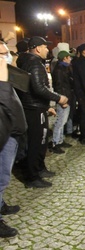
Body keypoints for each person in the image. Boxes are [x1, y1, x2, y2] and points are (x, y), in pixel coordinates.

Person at [16, 36, 69, 188]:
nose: (48, 50)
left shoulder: (27, 61)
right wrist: (58, 98)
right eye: (45, 47)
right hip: (34, 108)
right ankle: (32, 177)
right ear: (38, 48)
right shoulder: (34, 63)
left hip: (36, 106)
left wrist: (47, 106)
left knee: (41, 140)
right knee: (37, 142)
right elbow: (39, 88)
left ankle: (39, 168)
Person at [0, 42, 27, 237]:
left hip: (11, 133)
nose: (6, 57)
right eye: (1, 54)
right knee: (1, 179)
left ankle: (0, 204)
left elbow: (22, 88)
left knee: (3, 178)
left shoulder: (6, 73)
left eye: (7, 53)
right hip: (3, 135)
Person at [49, 51, 74, 154]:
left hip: (66, 97)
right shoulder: (59, 70)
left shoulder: (64, 68)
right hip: (63, 98)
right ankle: (55, 143)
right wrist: (62, 100)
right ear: (64, 58)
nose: (70, 59)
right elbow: (58, 86)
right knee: (60, 122)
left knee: (63, 121)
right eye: (69, 57)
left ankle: (60, 140)